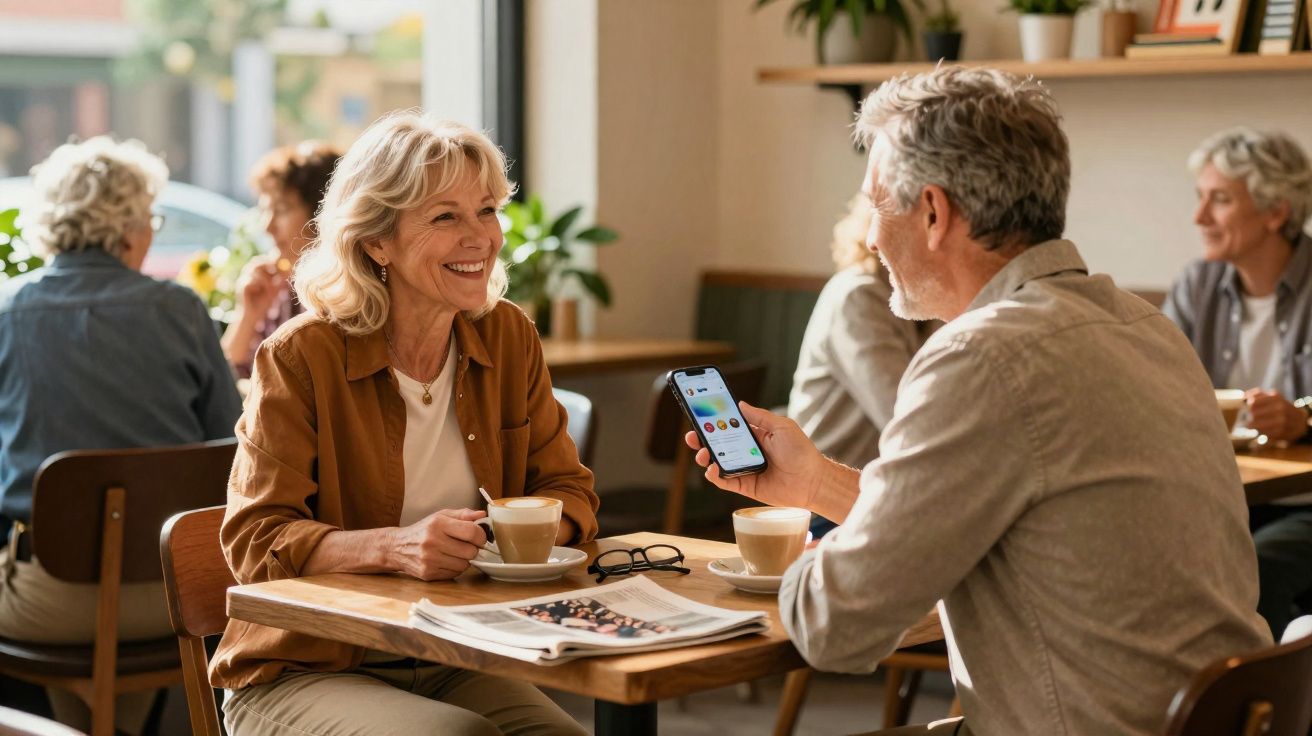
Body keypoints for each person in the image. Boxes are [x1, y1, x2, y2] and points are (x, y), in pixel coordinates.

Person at [686, 67, 1271, 735]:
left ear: (934, 213)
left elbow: (833, 628)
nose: (871, 238)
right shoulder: (1147, 327)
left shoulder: (981, 358)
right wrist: (816, 482)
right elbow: (1012, 531)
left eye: (876, 203)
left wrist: (806, 561)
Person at [210, 114, 597, 736]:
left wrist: (520, 534)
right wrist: (396, 547)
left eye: (487, 210)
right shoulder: (300, 355)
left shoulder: (508, 334)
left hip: (453, 650)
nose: (480, 238)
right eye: (445, 217)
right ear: (375, 240)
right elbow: (255, 541)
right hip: (303, 666)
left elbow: (572, 493)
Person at [0, 136, 242, 733]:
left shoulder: (7, 313)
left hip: (45, 603)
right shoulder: (183, 311)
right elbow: (227, 456)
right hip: (175, 596)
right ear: (132, 229)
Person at [1162, 128, 1312, 641]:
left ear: (1276, 212)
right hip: (1220, 499)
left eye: (1219, 200)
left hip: (1304, 505)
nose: (1199, 217)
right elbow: (1157, 386)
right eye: (1201, 198)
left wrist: (1305, 418)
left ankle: (1259, 715)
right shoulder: (1196, 286)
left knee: (1255, 570)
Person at [788, 195, 936, 536]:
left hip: (874, 492)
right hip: (826, 504)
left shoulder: (918, 299)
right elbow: (905, 417)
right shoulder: (858, 297)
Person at [222, 141, 341, 378]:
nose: (268, 226)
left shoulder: (351, 299)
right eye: (266, 210)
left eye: (282, 209)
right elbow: (219, 381)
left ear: (323, 215)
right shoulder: (279, 291)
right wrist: (247, 315)